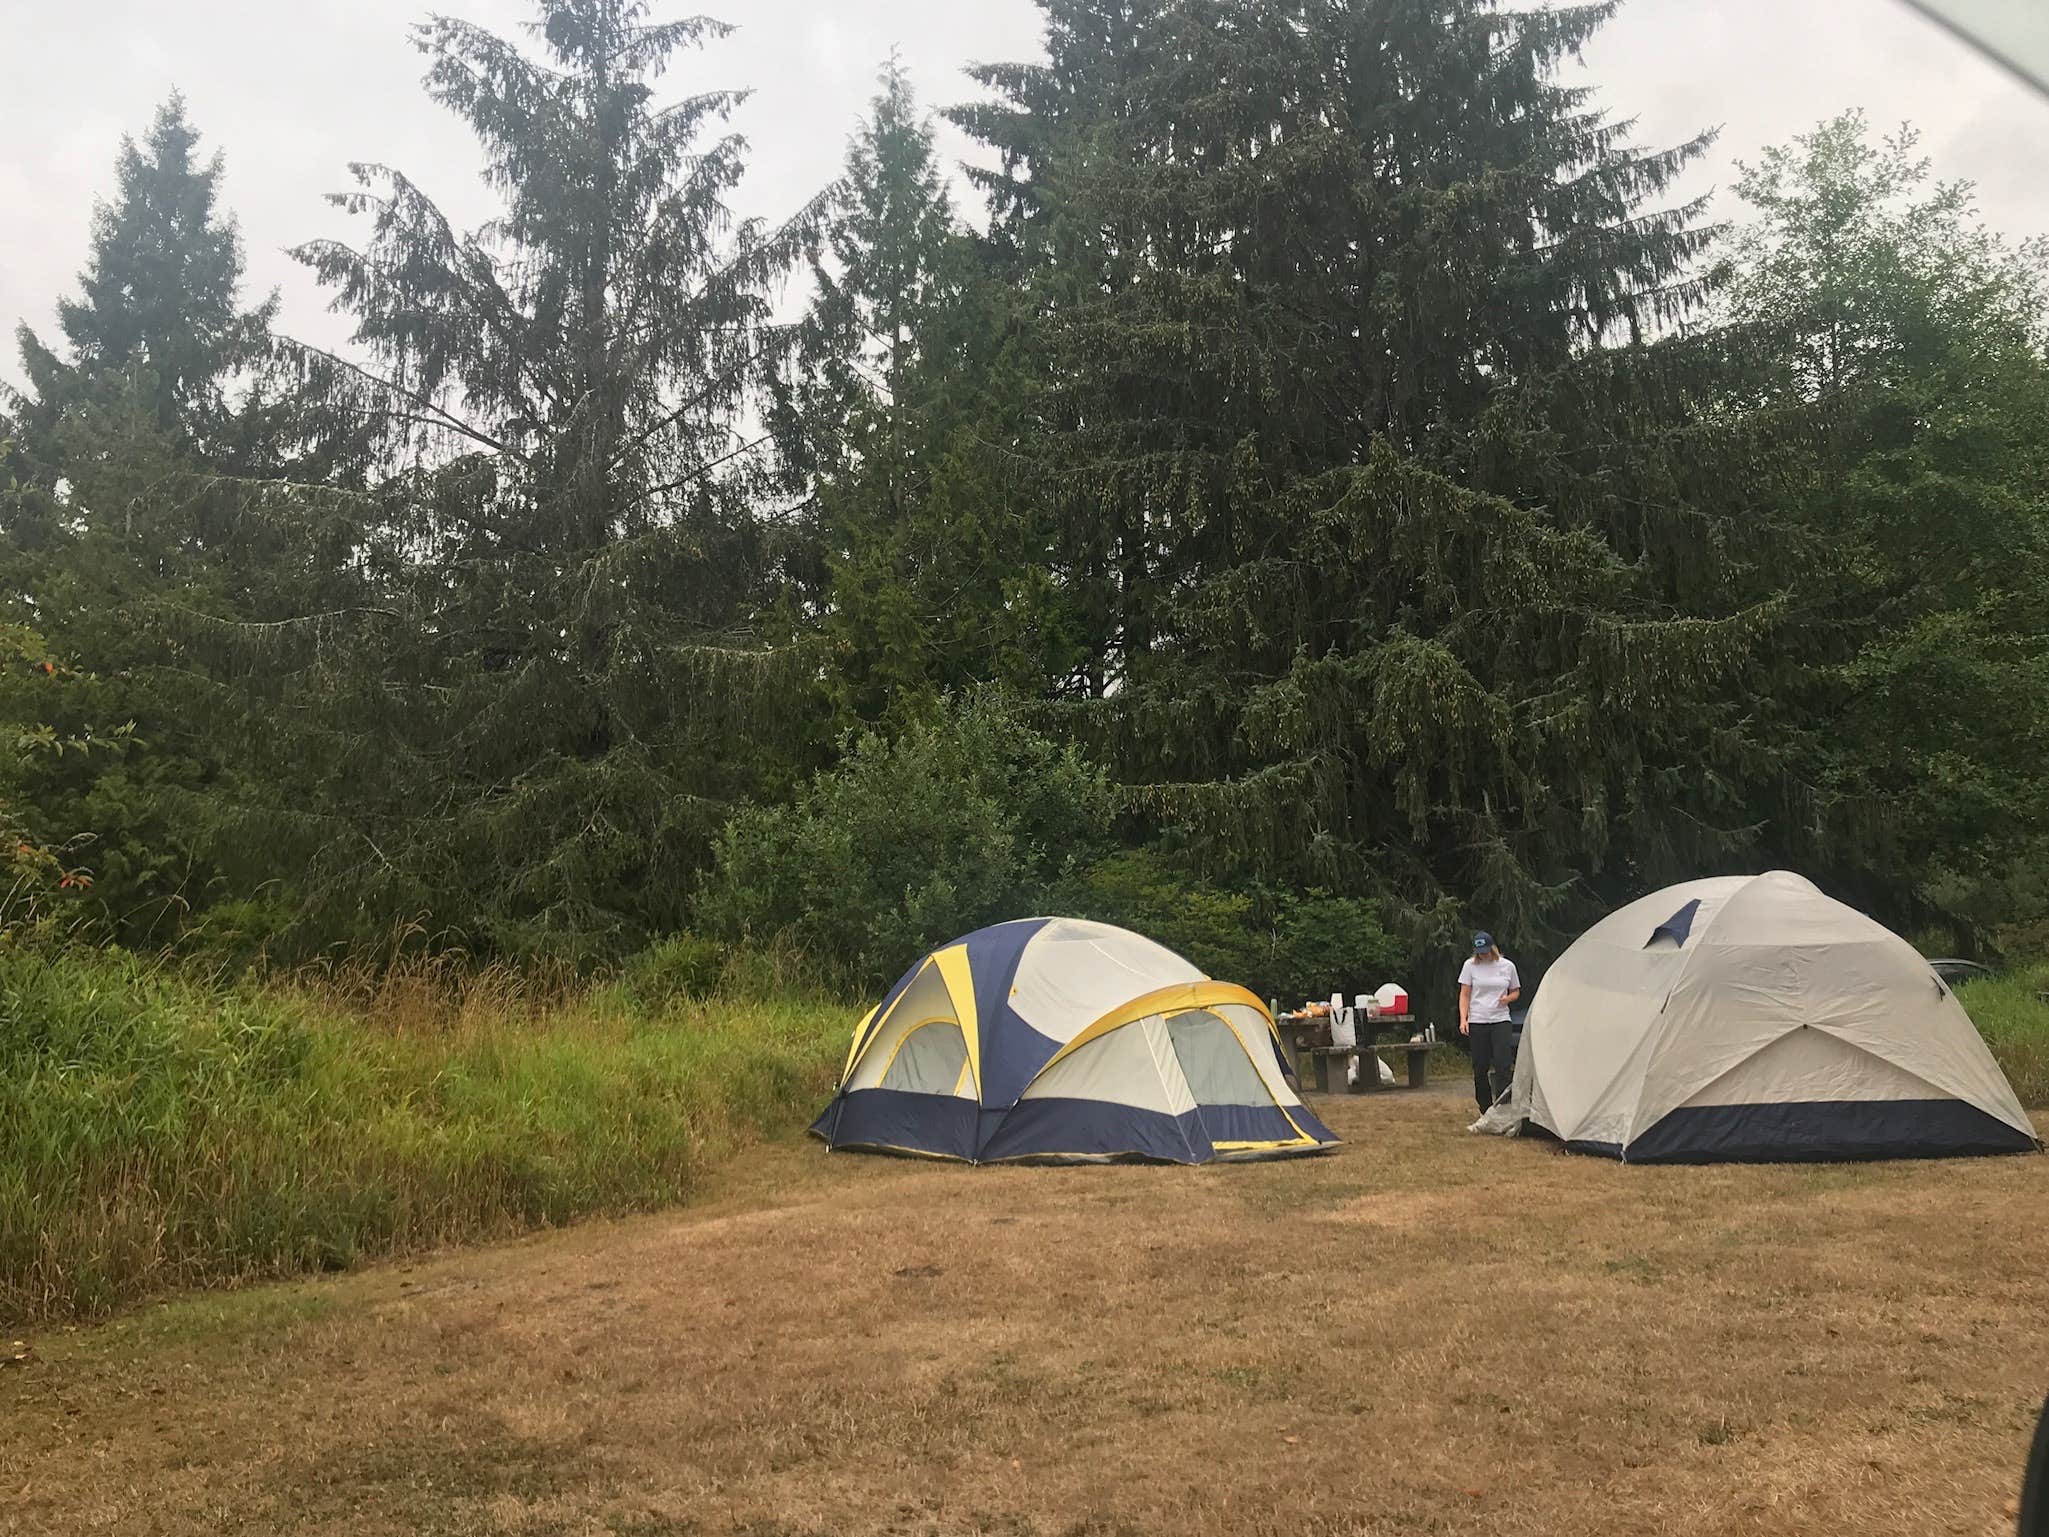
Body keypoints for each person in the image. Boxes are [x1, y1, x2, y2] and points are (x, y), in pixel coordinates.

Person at [1459, 931, 1521, 1113]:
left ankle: (1502, 1105)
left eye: (1486, 951)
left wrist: (1507, 999)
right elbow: (1464, 994)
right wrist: (1464, 1019)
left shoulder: (1507, 966)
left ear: (1492, 948)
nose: (1483, 955)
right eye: (1480, 951)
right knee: (1480, 1066)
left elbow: (1516, 991)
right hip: (1478, 1019)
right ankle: (1485, 1107)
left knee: (1503, 1064)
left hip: (1500, 1019)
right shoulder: (1470, 966)